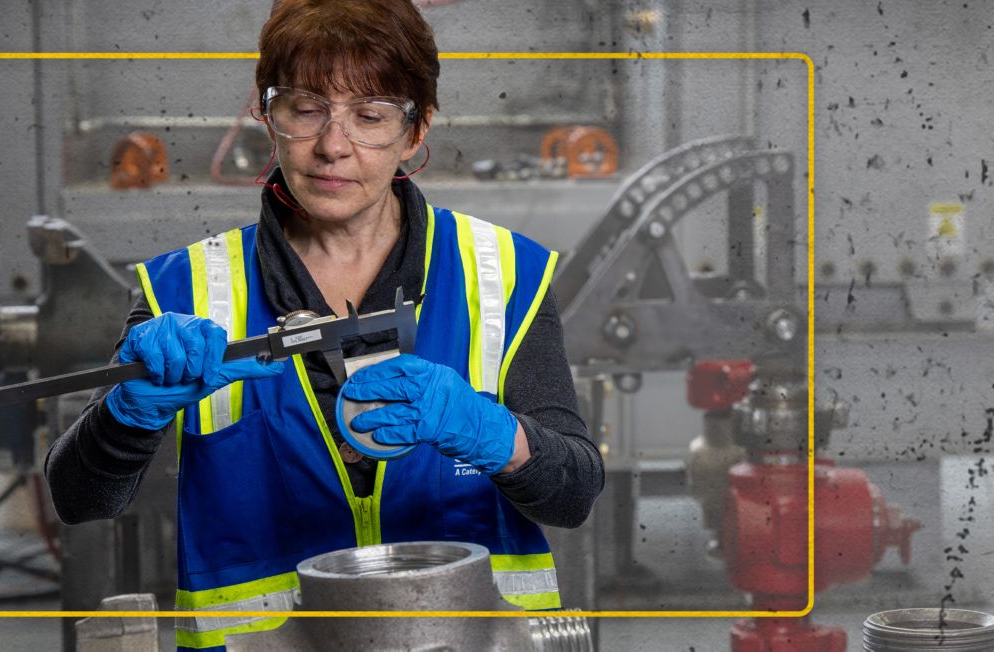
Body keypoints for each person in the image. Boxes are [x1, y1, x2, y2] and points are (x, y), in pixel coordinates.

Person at [43, 0, 603, 647]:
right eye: (305, 108)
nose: (333, 145)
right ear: (266, 114)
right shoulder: (187, 291)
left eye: (370, 115)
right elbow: (80, 500)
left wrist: (490, 432)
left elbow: (573, 495)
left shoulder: (505, 274)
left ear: (416, 130)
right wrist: (126, 415)